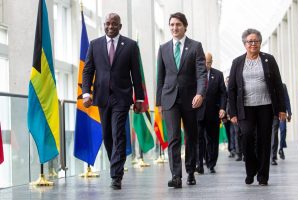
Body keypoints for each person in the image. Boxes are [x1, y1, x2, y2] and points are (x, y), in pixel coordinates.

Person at [82, 13, 144, 190]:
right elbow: (88, 71)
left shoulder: (130, 46)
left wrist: (139, 98)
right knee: (108, 135)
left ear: (120, 26)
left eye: (114, 24)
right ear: (104, 25)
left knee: (118, 133)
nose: (110, 27)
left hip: (122, 97)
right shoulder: (94, 45)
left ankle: (116, 175)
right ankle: (116, 163)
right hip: (102, 96)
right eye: (108, 23)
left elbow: (136, 74)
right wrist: (86, 93)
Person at [228, 28, 286, 186]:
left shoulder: (269, 59)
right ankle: (250, 169)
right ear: (244, 44)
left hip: (266, 107)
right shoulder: (237, 62)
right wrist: (232, 112)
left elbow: (277, 85)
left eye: (256, 41)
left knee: (264, 140)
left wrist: (282, 108)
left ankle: (262, 176)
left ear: (260, 43)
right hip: (245, 108)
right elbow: (231, 89)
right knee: (246, 137)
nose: (253, 44)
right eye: (249, 41)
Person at [156, 12, 207, 188]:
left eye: (178, 24)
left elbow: (201, 73)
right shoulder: (163, 48)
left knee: (191, 137)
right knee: (173, 138)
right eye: (171, 25)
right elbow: (160, 78)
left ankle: (190, 170)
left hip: (191, 99)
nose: (174, 28)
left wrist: (200, 93)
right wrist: (159, 103)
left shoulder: (195, 46)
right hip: (169, 99)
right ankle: (176, 176)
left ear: (185, 26)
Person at [196, 52, 227, 174]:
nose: (205, 65)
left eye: (208, 62)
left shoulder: (218, 75)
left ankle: (211, 163)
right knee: (199, 139)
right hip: (197, 112)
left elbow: (223, 93)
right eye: (203, 62)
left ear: (211, 62)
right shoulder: (195, 74)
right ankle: (199, 164)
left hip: (213, 112)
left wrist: (222, 108)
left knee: (212, 140)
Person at [271, 83, 292, 165]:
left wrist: (289, 113)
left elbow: (287, 99)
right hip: (274, 114)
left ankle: (281, 148)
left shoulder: (283, 86)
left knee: (283, 130)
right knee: (274, 133)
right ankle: (273, 156)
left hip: (282, 113)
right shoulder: (269, 85)